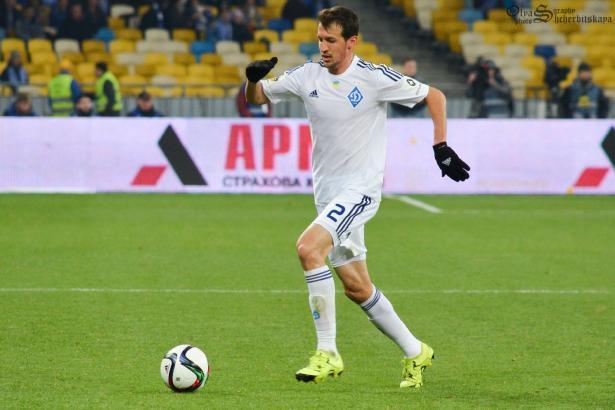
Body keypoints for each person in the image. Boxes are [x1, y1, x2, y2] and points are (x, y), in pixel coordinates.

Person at [245, 6, 469, 388]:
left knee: (308, 249)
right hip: (327, 195)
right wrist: (251, 80)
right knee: (357, 288)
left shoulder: (374, 78)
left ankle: (327, 352)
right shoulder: (307, 75)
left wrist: (441, 145)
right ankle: (416, 351)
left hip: (360, 190)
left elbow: (435, 96)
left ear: (351, 42)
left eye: (331, 40)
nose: (323, 46)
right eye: (320, 39)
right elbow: (257, 97)